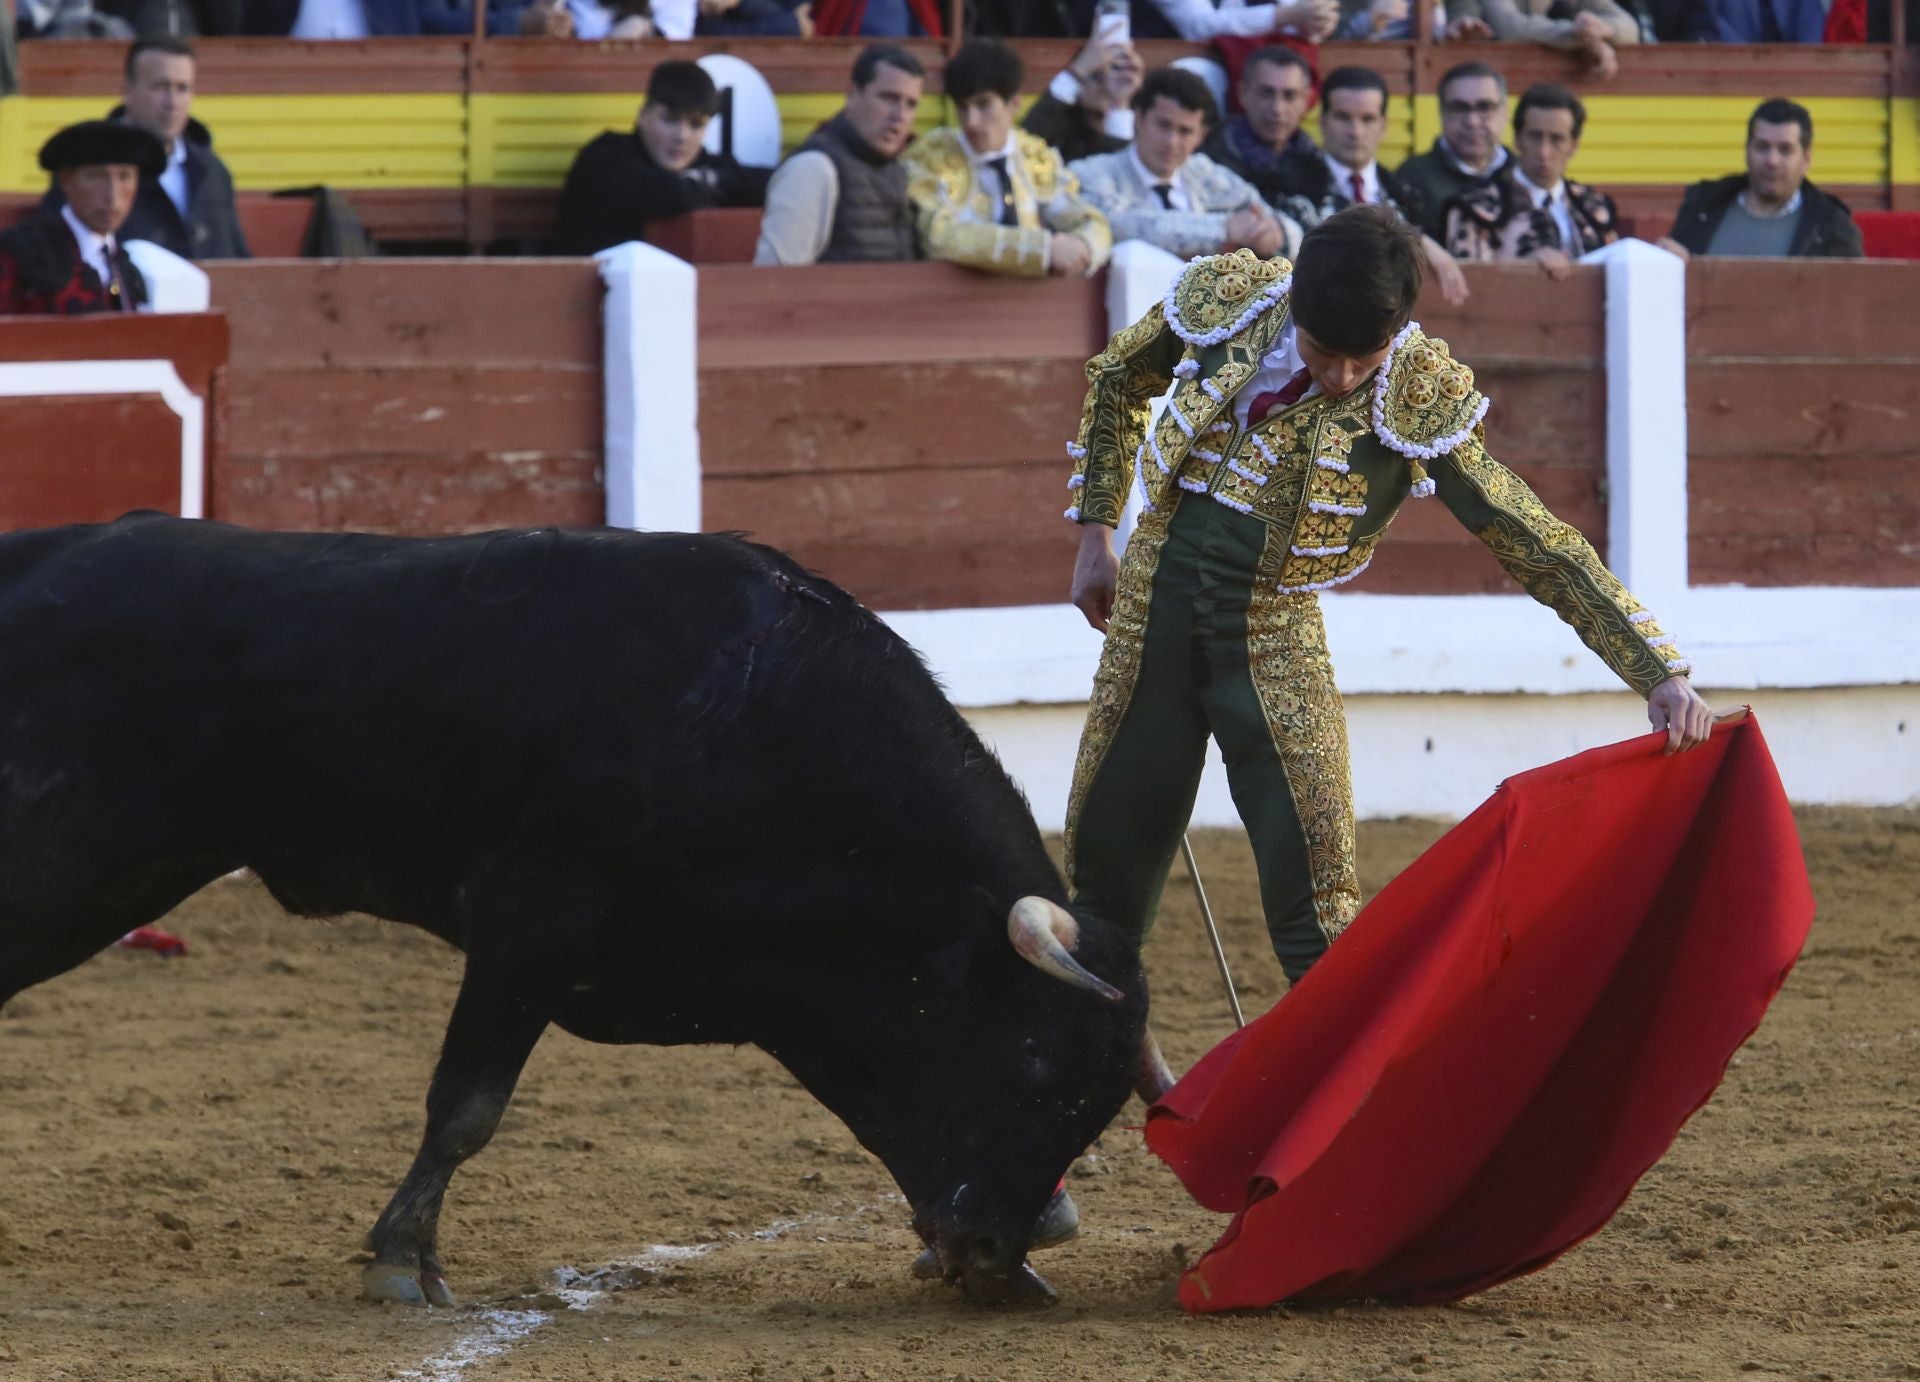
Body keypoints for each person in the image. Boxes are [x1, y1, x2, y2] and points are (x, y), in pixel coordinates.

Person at [1059, 205, 1710, 991]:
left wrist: (1657, 668)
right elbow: (1121, 375)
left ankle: (1348, 1106)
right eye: (1323, 353)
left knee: (1321, 912)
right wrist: (1096, 532)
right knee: (1101, 896)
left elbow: (1529, 535)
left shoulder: (1415, 393)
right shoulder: (1230, 301)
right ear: (1294, 300)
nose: (1340, 378)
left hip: (1270, 639)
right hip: (1147, 622)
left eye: (1363, 360)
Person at [900, 40, 1111, 278]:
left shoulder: (1034, 156)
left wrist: (1084, 246)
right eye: (962, 108)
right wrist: (1042, 249)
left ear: (1014, 104)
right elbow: (939, 236)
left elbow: (1092, 223)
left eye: (983, 105)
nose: (971, 121)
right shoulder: (930, 157)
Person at [1264, 67, 1468, 306]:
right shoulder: (1284, 183)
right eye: (1343, 117)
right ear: (1323, 122)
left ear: (1383, 125)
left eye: (1367, 119)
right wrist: (1416, 240)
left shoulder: (1409, 190)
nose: (1355, 131)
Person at [42, 39, 249, 262]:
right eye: (161, 87)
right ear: (127, 91)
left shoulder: (212, 170)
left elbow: (237, 255)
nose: (172, 102)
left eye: (183, 88)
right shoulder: (85, 163)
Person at [1069, 67, 1298, 262]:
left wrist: (1276, 232)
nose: (1171, 142)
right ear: (1138, 119)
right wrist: (1223, 228)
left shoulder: (1205, 174)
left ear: (1201, 136)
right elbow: (1116, 226)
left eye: (1185, 131)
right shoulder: (1090, 174)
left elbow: (1285, 226)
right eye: (1163, 125)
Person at [553, 62, 771, 257]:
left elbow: (773, 184)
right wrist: (715, 183)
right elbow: (672, 193)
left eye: (696, 125)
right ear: (643, 116)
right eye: (670, 120)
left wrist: (710, 180)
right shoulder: (605, 157)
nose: (681, 136)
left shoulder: (704, 162)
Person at [753, 44, 924, 267]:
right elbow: (774, 283)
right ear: (852, 95)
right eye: (889, 98)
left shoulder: (904, 170)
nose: (899, 116)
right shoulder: (812, 169)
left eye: (910, 104)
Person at [1444, 83, 1619, 277]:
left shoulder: (1594, 208)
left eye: (1557, 140)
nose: (1544, 152)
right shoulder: (1475, 208)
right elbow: (1472, 287)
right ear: (1518, 138)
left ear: (1573, 146)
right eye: (1535, 137)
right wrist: (1522, 270)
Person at [1660, 99, 1863, 260]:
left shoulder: (1831, 225)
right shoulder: (1702, 206)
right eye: (1762, 147)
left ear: (1806, 158)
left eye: (1785, 150)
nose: (1772, 161)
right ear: (1747, 151)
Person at [0, 121, 161, 316]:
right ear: (66, 180)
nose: (112, 195)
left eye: (125, 177)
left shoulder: (127, 269)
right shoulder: (19, 254)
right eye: (96, 177)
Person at [1394, 60, 1511, 243]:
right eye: (1459, 108)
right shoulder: (1413, 177)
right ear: (1441, 113)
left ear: (1505, 113)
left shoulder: (1522, 174)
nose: (1472, 121)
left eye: (1484, 107)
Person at [1199, 43, 1316, 208]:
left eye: (1289, 96)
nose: (1277, 108)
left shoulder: (1320, 169)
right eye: (1266, 93)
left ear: (1306, 99)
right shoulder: (1205, 163)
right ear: (1242, 93)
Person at [1020, 30, 1144, 166]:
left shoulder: (1148, 128)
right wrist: (1077, 71)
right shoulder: (1059, 134)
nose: (1109, 84)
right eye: (1097, 75)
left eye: (1120, 76)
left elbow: (1130, 177)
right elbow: (1024, 146)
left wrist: (1120, 104)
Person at [1445, 0, 1635, 80]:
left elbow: (1630, 27)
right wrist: (1583, 37)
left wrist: (1605, 30)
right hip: (1493, 84)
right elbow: (1512, 29)